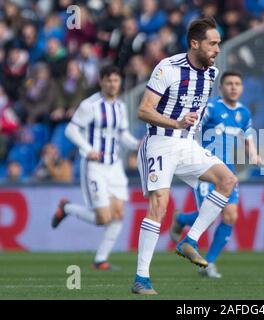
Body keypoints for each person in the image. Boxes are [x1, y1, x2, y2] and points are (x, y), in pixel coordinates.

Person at [132, 17, 238, 295]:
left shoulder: (212, 73)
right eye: (212, 44)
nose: (217, 49)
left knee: (227, 180)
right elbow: (143, 110)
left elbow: (197, 110)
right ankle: (141, 277)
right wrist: (176, 122)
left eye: (219, 44)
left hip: (186, 144)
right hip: (160, 142)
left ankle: (189, 239)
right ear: (194, 43)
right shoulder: (168, 68)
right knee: (160, 204)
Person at [169, 70, 261, 278]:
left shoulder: (244, 113)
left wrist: (254, 155)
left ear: (242, 88)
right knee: (209, 214)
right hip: (206, 168)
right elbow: (193, 128)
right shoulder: (210, 108)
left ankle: (208, 263)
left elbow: (247, 137)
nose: (234, 87)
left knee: (230, 215)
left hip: (227, 171)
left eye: (237, 83)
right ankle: (181, 219)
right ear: (221, 88)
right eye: (229, 83)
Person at [51, 65, 139, 270]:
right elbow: (70, 130)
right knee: (102, 218)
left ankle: (100, 260)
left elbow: (122, 135)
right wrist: (87, 148)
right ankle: (67, 208)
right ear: (101, 81)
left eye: (116, 80)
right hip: (95, 166)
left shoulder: (120, 106)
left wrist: (136, 144)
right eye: (108, 80)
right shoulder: (90, 105)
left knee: (118, 215)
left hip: (115, 166)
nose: (112, 84)